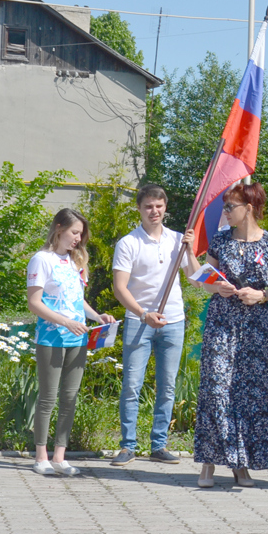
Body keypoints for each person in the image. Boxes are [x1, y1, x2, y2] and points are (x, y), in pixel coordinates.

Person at [187, 182, 268, 488]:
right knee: (216, 389)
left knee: (250, 394)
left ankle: (241, 465)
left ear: (248, 208)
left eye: (229, 207)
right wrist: (216, 286)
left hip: (255, 328)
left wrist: (260, 295)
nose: (225, 212)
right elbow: (203, 280)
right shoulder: (220, 242)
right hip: (222, 323)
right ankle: (208, 464)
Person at [26, 209, 116, 476]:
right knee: (48, 398)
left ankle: (60, 457)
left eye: (80, 234)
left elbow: (78, 300)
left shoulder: (75, 261)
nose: (78, 238)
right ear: (58, 228)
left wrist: (96, 315)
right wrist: (65, 322)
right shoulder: (41, 260)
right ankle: (41, 456)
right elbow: (34, 303)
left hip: (78, 338)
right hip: (51, 338)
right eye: (75, 232)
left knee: (70, 398)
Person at [110, 184, 195, 466]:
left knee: (167, 386)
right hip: (139, 322)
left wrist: (191, 251)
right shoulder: (128, 243)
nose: (154, 211)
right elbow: (120, 288)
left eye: (159, 206)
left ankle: (159, 445)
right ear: (139, 208)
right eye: (148, 206)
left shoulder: (177, 240)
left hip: (173, 321)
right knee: (131, 385)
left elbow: (195, 279)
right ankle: (127, 446)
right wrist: (142, 312)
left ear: (165, 207)